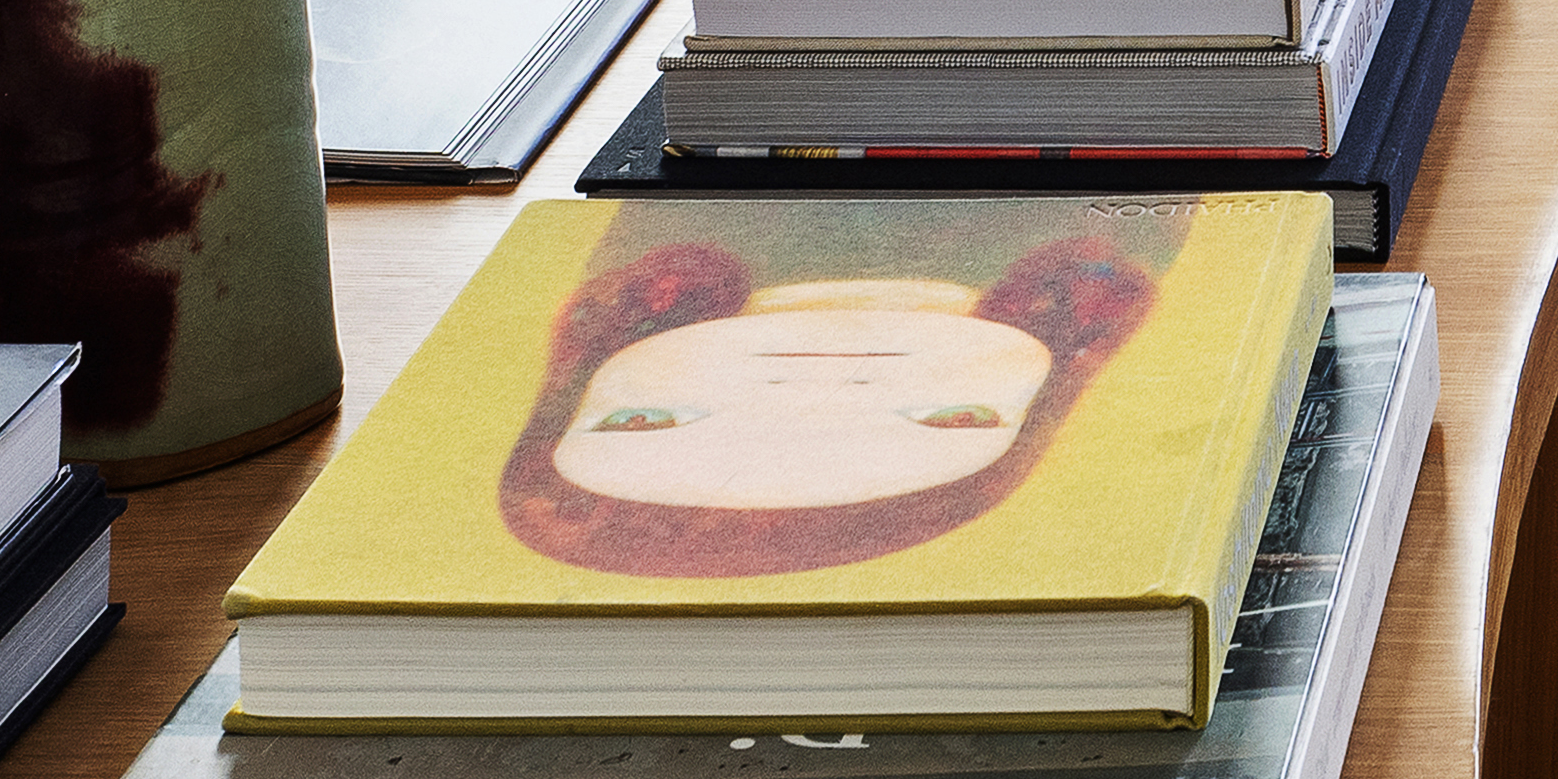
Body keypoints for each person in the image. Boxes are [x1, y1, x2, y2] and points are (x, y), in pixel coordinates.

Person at [493, 213, 1170, 581]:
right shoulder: (1119, 239)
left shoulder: (644, 233)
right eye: (948, 417)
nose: (813, 383)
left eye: (647, 419)